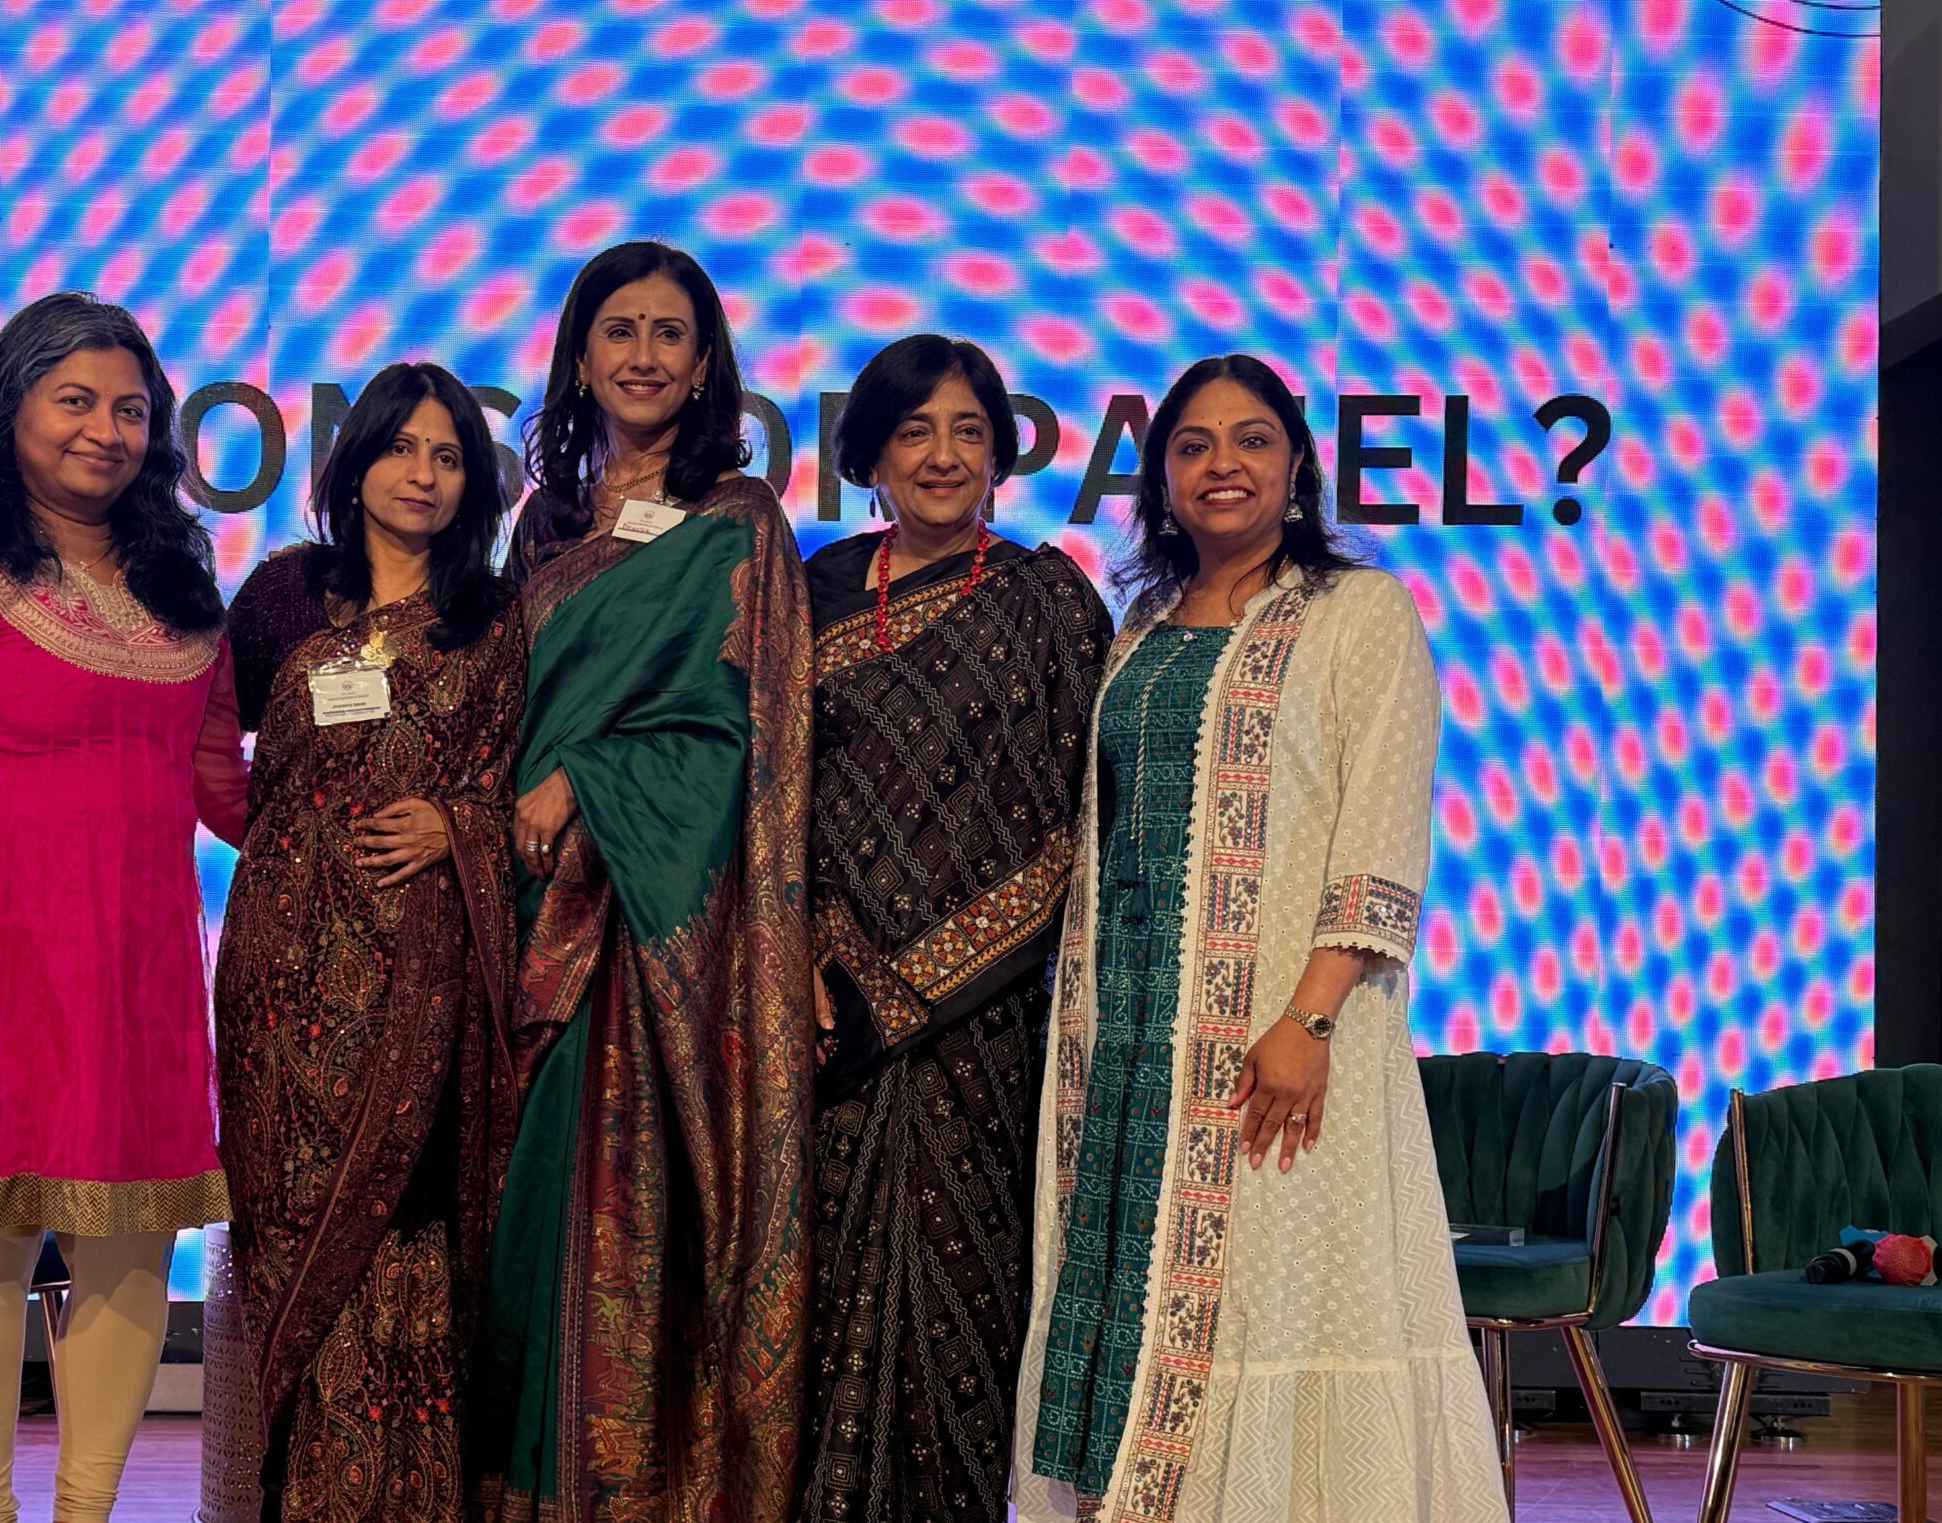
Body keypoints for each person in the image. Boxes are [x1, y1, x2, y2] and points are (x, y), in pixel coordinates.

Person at [1010, 355, 1504, 1522]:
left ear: (1295, 466)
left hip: (1277, 1032)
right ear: (1161, 475)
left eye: (1249, 441)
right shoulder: (1137, 624)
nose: (1220, 465)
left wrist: (1310, 1012)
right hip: (1123, 1035)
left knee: (1271, 1290)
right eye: (1192, 445)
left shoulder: (1357, 613)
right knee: (1126, 1289)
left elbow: (1379, 832)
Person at [0, 291, 248, 1523]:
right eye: (75, 400)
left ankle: (85, 1510)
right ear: (9, 407)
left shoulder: (179, 572)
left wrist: (389, 807)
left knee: (129, 1247)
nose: (105, 431)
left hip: (138, 966)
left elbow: (222, 780)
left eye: (130, 409)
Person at [473, 240, 817, 1523]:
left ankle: (638, 1490)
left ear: (706, 360)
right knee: (524, 1214)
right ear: (577, 356)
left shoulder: (738, 520)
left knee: (636, 1205)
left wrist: (590, 783)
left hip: (655, 926)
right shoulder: (541, 524)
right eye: (618, 330)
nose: (643, 355)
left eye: (670, 333)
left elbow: (750, 735)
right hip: (524, 911)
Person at [198, 362, 527, 1522]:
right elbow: (202, 753)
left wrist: (458, 824)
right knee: (287, 1222)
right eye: (402, 448)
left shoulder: (494, 618)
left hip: (423, 975)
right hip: (280, 978)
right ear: (356, 462)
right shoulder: (285, 597)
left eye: (448, 456)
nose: (423, 474)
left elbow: (529, 792)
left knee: (408, 1212)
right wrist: (296, 845)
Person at [798, 335, 1113, 1523]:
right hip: (829, 1022)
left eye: (967, 430)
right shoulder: (813, 590)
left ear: (1001, 450)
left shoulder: (1049, 598)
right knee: (830, 1310)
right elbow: (781, 795)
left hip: (994, 1028)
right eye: (914, 430)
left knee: (972, 1307)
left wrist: (919, 982)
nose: (941, 454)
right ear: (870, 451)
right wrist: (821, 944)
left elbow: (1081, 823)